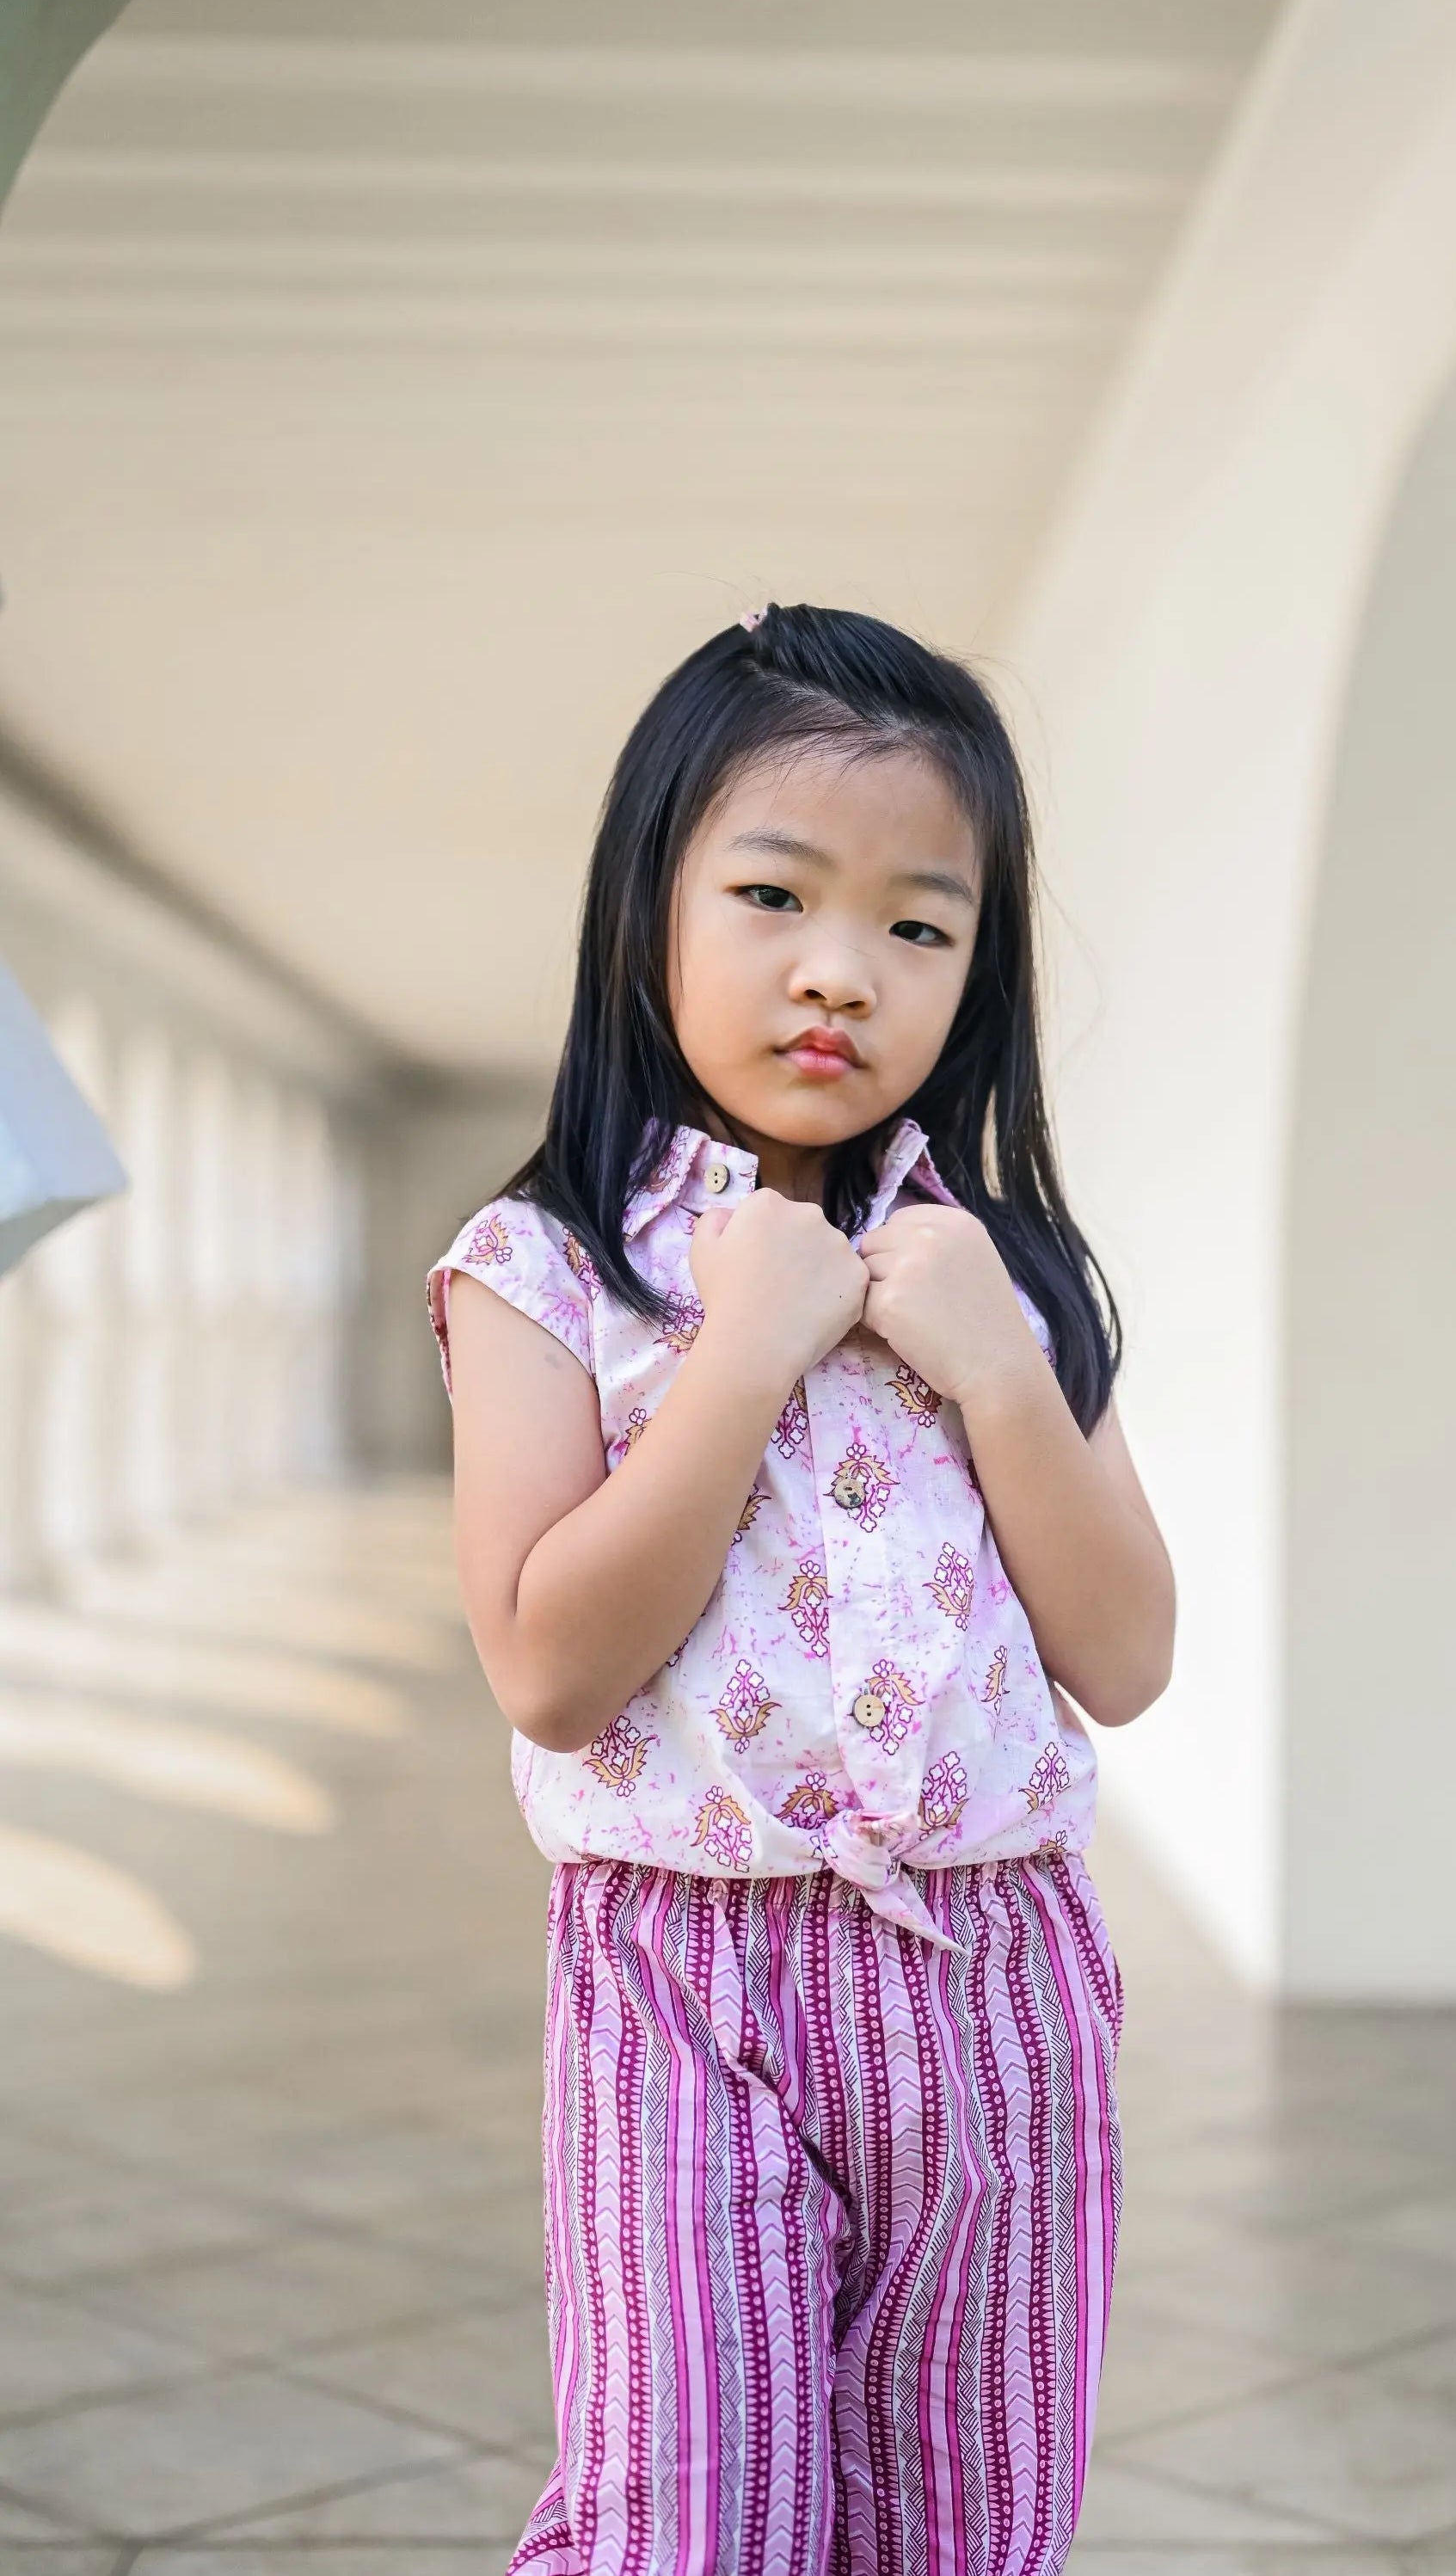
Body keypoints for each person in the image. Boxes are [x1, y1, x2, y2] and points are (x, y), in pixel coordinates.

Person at [429, 603, 1175, 2576]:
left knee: (968, 2514)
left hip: (995, 1972)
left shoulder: (995, 1273)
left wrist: (1000, 1365)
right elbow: (548, 1665)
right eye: (771, 892)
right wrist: (738, 1354)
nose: (839, 968)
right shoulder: (545, 1270)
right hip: (683, 1967)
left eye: (919, 926)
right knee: (687, 2513)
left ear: (975, 975)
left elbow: (1124, 1647)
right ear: (643, 909)